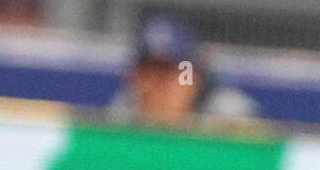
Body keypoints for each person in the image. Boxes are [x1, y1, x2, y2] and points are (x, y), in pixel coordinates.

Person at [108, 15, 258, 128]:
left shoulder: (229, 116)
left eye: (167, 73)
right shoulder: (123, 112)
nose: (155, 87)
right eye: (147, 72)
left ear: (194, 77)